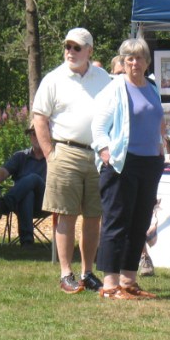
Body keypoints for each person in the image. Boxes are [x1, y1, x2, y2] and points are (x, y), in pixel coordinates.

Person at [32, 28, 112, 293]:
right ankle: (66, 274)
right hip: (64, 152)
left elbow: (116, 112)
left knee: (93, 215)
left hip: (98, 154)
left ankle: (87, 272)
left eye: (77, 47)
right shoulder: (53, 79)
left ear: (90, 50)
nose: (71, 52)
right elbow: (39, 117)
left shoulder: (104, 78)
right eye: (68, 46)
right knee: (65, 215)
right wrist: (49, 155)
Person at [91, 37, 166, 299]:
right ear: (123, 62)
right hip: (122, 163)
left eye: (139, 57)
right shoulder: (114, 89)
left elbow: (157, 121)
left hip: (149, 163)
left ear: (147, 61)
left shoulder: (153, 87)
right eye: (129, 58)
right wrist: (105, 152)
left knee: (139, 223)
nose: (134, 62)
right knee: (116, 222)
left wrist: (160, 145)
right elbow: (99, 127)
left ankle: (128, 281)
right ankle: (110, 285)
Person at [0, 121, 47, 247]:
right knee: (27, 194)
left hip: (44, 203)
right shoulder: (21, 156)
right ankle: (27, 241)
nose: (36, 137)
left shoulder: (52, 158)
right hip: (21, 203)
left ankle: (4, 205)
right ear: (29, 136)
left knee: (33, 178)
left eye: (40, 133)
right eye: (33, 134)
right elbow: (3, 171)